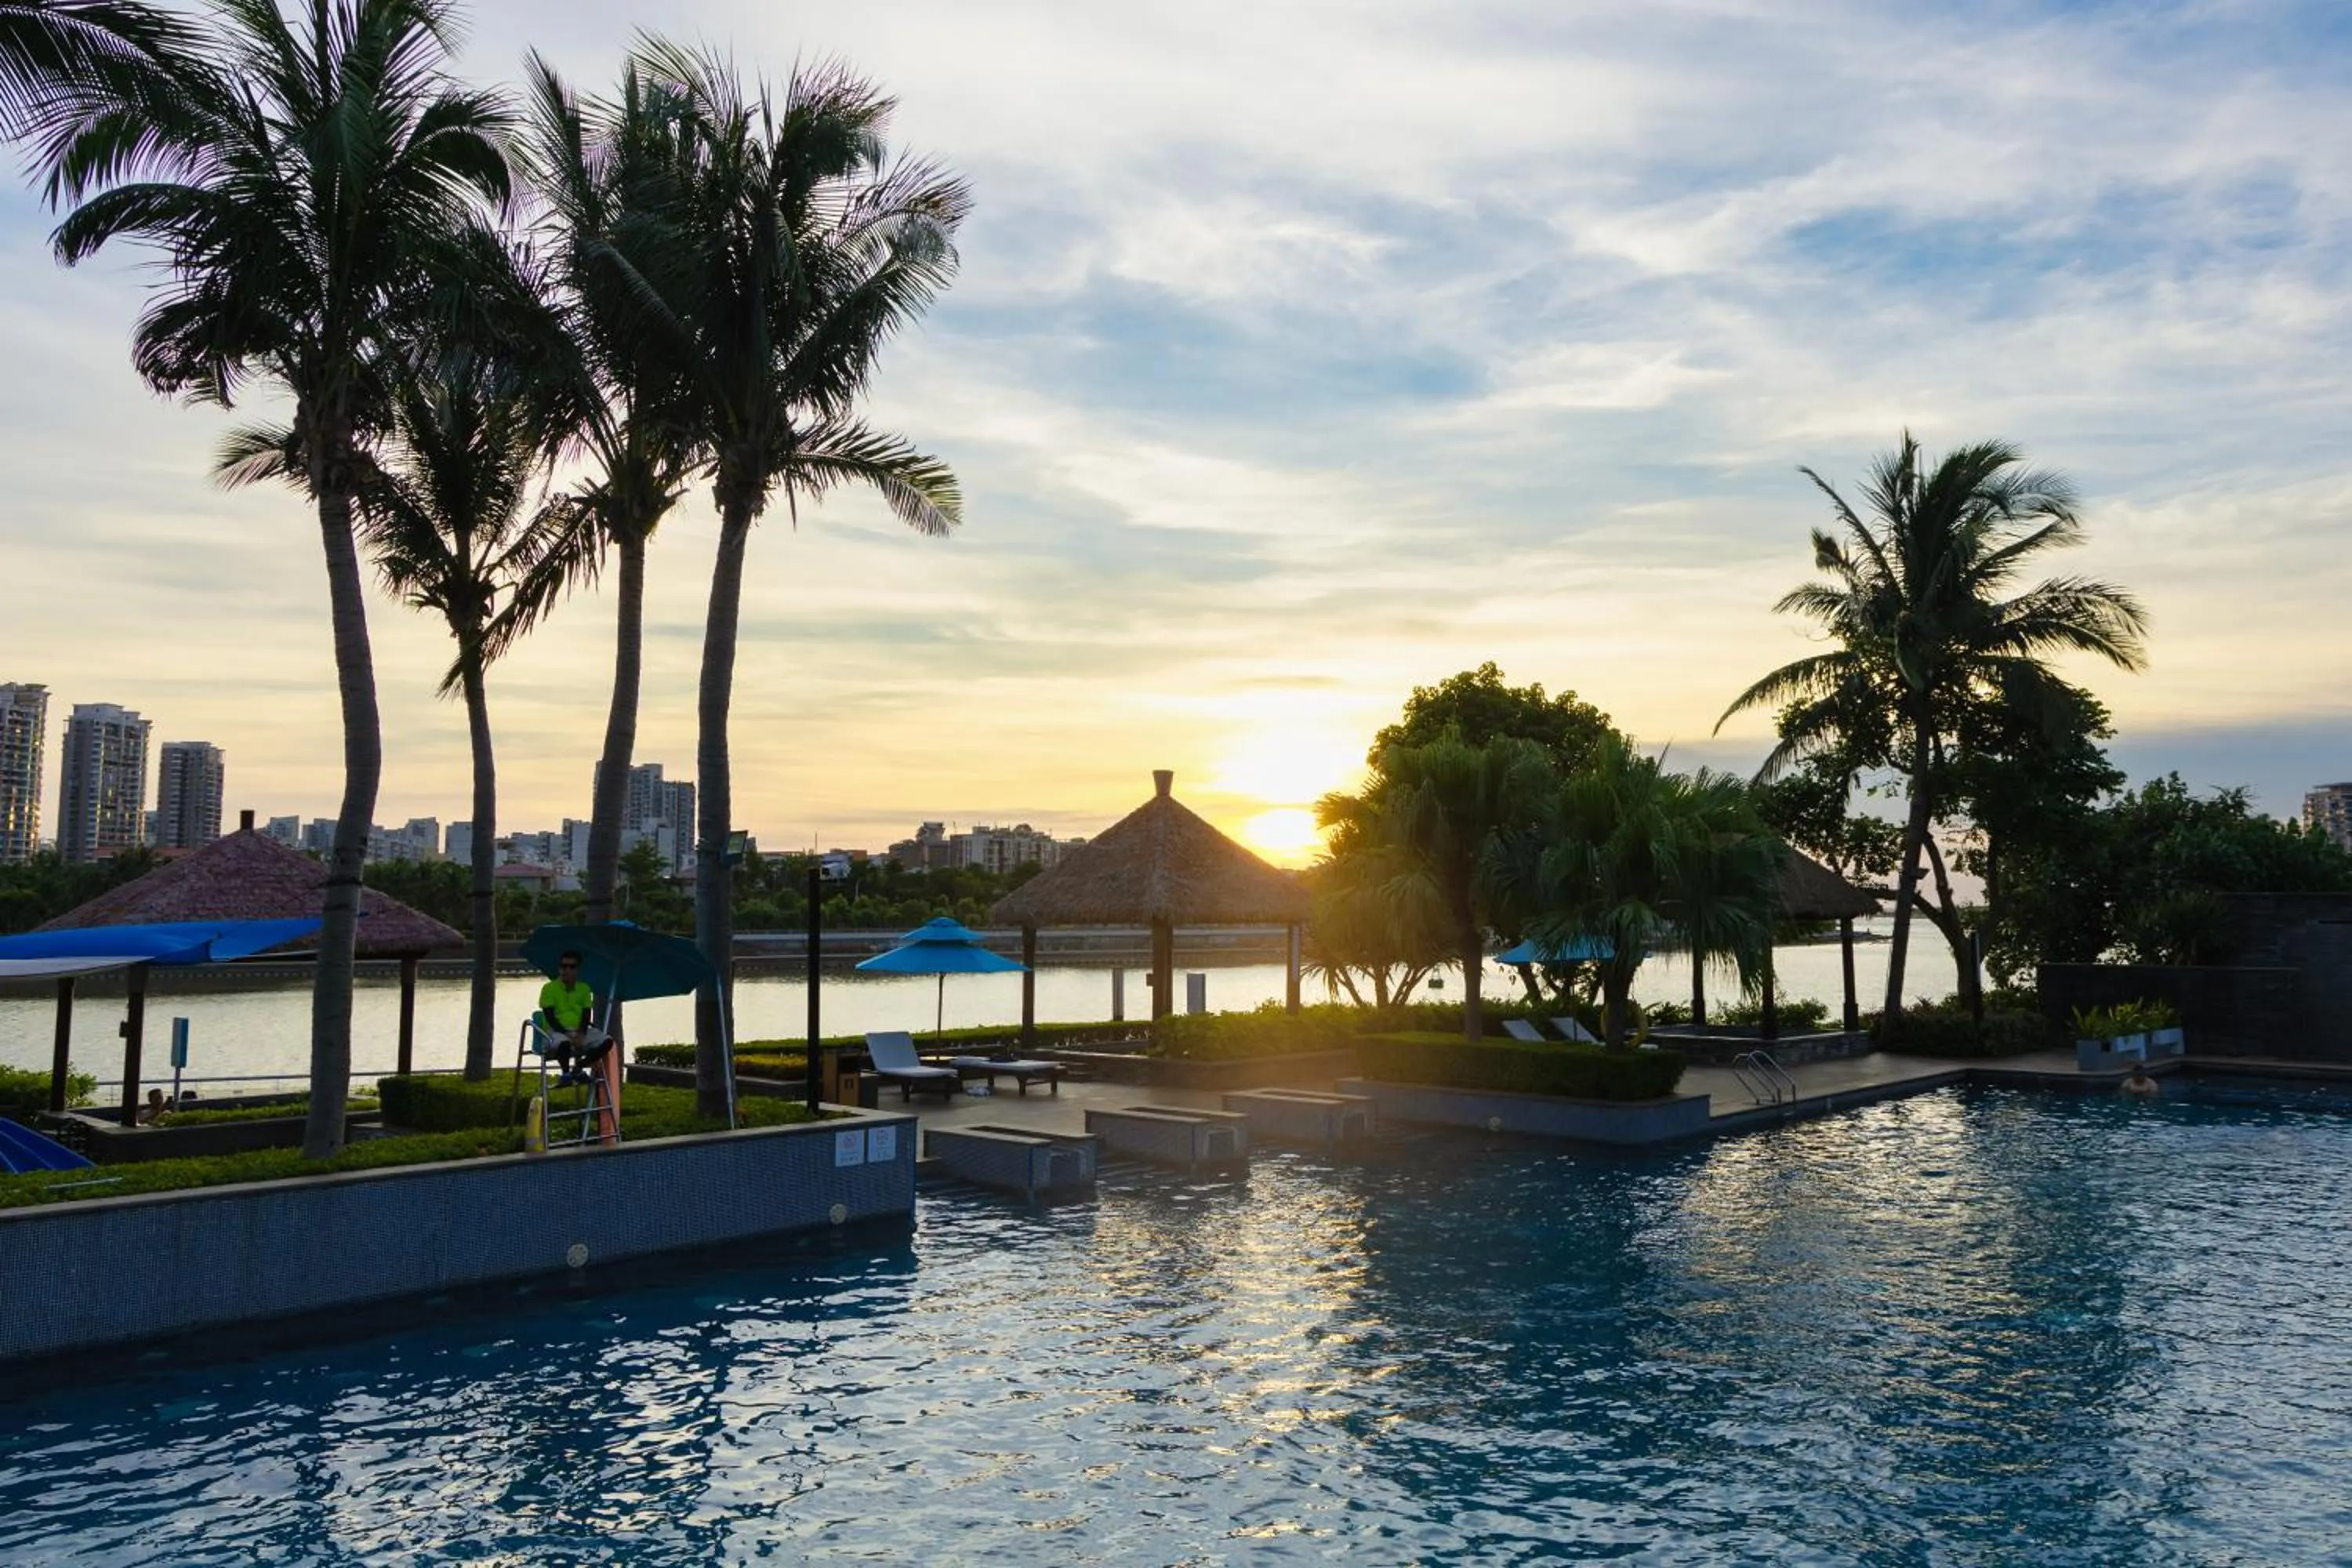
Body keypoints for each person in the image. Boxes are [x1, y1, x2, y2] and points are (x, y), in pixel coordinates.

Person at [538, 951, 608, 1087]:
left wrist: (582, 1033)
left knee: (607, 1042)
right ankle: (566, 1074)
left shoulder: (584, 988)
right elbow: (550, 1017)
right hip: (555, 1031)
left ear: (578, 969)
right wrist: (568, 1034)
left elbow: (587, 1014)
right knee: (564, 1043)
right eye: (563, 966)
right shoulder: (549, 988)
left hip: (578, 1030)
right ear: (559, 968)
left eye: (572, 967)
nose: (567, 970)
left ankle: (578, 1068)